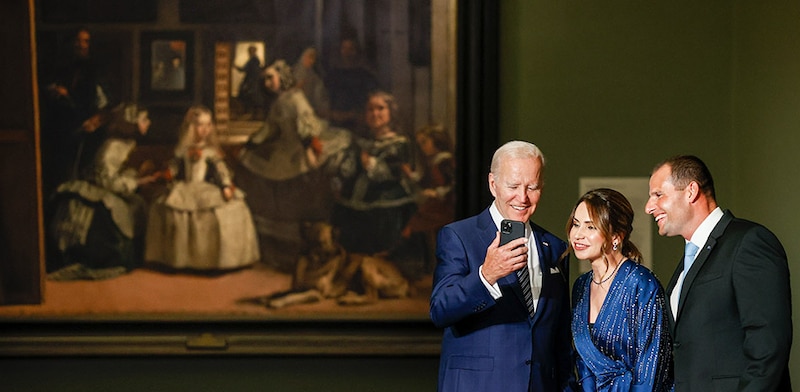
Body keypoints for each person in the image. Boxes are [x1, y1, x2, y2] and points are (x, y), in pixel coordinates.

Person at [430, 141, 572, 392]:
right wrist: (486, 275)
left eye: (533, 187)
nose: (523, 197)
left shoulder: (555, 247)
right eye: (514, 186)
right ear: (492, 184)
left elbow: (559, 336)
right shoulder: (458, 236)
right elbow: (440, 310)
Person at [645, 155, 792, 391]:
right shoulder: (687, 262)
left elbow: (768, 347)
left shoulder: (749, 242)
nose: (649, 207)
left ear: (691, 191)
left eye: (658, 195)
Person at [567, 188, 673, 391]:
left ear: (616, 236)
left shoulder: (641, 284)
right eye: (576, 224)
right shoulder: (580, 287)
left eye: (590, 227)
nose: (578, 235)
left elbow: (651, 369)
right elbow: (583, 365)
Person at [47, 105, 156, 280]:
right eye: (144, 119)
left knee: (137, 205)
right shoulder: (114, 146)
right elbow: (105, 180)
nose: (148, 123)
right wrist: (137, 182)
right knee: (126, 209)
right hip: (100, 190)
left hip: (110, 185)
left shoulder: (126, 143)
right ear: (131, 123)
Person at [145, 105, 259, 271]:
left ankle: (215, 260)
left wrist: (226, 186)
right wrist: (166, 174)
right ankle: (181, 260)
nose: (205, 129)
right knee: (168, 208)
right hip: (186, 187)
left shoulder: (211, 151)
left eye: (208, 124)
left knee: (229, 209)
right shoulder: (183, 149)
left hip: (205, 188)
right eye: (200, 125)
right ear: (191, 127)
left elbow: (221, 171)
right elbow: (175, 167)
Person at [331, 90, 416, 257]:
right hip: (355, 203)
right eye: (370, 109)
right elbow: (347, 170)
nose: (375, 113)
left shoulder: (400, 143)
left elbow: (392, 173)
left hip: (385, 205)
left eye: (380, 108)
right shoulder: (361, 141)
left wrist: (368, 162)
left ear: (391, 112)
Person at [40, 26, 115, 198]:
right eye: (77, 40)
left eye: (85, 41)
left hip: (86, 134)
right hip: (61, 132)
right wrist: (56, 93)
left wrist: (69, 95)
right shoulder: (61, 68)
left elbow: (103, 105)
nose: (81, 45)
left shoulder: (95, 70)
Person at [400, 123, 455, 274]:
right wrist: (410, 174)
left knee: (417, 225)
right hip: (437, 204)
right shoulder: (434, 161)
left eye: (424, 142)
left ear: (437, 141)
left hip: (445, 205)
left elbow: (454, 184)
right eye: (420, 144)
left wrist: (437, 193)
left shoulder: (445, 161)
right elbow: (425, 180)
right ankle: (427, 266)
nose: (422, 147)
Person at [325, 37, 379, 132]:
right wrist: (334, 114)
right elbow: (326, 99)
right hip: (336, 123)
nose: (347, 52)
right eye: (344, 48)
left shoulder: (365, 75)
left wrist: (357, 115)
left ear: (356, 51)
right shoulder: (333, 75)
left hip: (359, 124)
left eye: (351, 49)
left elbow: (371, 99)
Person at [293, 47, 330, 119]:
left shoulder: (312, 74)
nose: (311, 61)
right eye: (309, 57)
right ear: (303, 56)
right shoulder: (299, 71)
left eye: (314, 58)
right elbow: (296, 90)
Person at [234, 45, 266, 119]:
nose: (249, 53)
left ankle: (250, 114)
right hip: (253, 82)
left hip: (251, 82)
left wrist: (235, 66)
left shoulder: (253, 60)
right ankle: (252, 114)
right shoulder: (255, 60)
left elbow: (244, 69)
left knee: (247, 96)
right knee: (251, 98)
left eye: (250, 51)